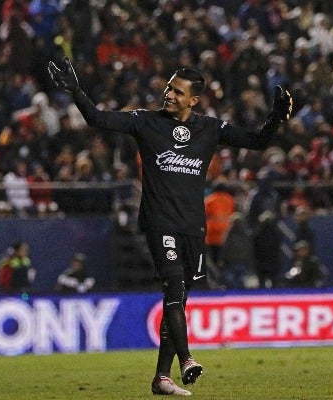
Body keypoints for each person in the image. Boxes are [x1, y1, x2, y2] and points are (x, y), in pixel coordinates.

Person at [48, 57, 293, 396]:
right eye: (168, 88)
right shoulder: (145, 122)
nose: (168, 95)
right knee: (174, 291)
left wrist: (275, 119)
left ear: (194, 100)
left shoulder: (210, 128)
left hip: (193, 227)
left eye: (177, 92)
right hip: (159, 221)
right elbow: (97, 118)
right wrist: (76, 91)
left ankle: (162, 378)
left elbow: (257, 142)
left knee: (179, 299)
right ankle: (187, 360)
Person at [253, 210, 284, 289]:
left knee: (266, 283)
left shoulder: (259, 232)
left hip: (265, 261)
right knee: (272, 283)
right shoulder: (276, 233)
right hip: (267, 261)